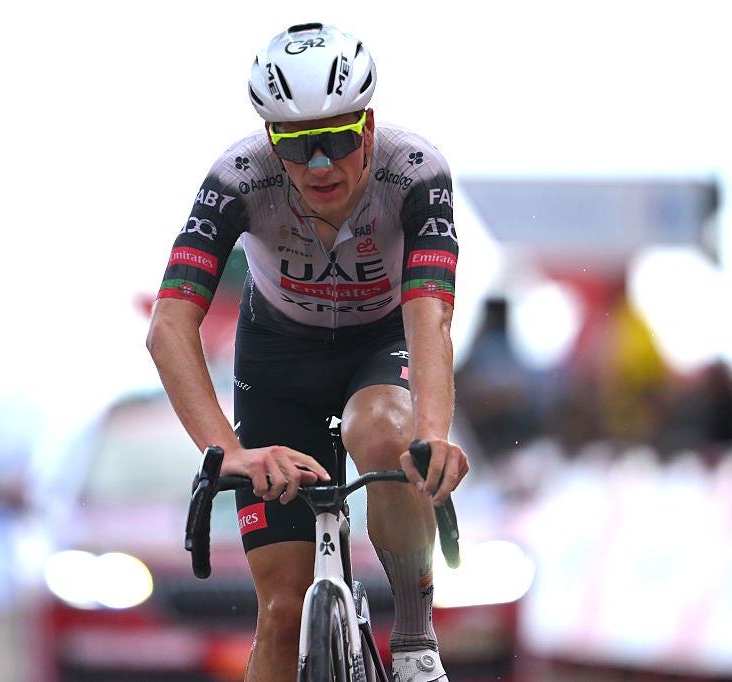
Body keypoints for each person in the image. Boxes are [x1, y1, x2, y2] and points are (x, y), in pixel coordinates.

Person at [146, 22, 467, 682]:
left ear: (368, 128)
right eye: (296, 144)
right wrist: (228, 452)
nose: (320, 165)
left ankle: (414, 637)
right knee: (283, 613)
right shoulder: (237, 178)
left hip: (380, 344)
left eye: (339, 139)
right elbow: (168, 328)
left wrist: (432, 435)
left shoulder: (416, 171)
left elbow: (429, 315)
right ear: (271, 140)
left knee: (385, 433)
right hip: (278, 359)